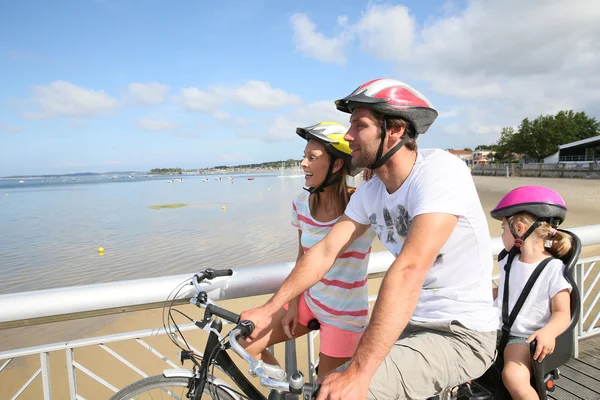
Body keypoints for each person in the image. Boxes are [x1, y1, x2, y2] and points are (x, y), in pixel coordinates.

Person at [241, 78, 498, 400]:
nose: (348, 135)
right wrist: (271, 307)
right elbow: (324, 251)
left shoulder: (440, 171)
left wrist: (360, 373)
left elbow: (410, 268)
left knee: (335, 392)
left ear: (395, 130)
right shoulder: (370, 192)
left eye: (358, 125)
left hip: (458, 332)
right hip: (405, 325)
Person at [243, 121, 377, 376]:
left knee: (327, 391)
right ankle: (285, 391)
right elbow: (302, 257)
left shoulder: (363, 204)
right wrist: (292, 304)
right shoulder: (301, 204)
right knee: (246, 340)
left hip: (344, 315)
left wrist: (375, 176)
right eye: (304, 157)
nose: (303, 164)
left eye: (312, 157)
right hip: (308, 301)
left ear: (337, 164)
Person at [491, 186, 572, 400]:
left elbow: (562, 312)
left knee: (513, 376)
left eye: (503, 229)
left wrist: (549, 332)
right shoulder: (509, 261)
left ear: (518, 228)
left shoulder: (552, 269)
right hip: (494, 327)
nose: (501, 236)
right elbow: (508, 293)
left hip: (524, 337)